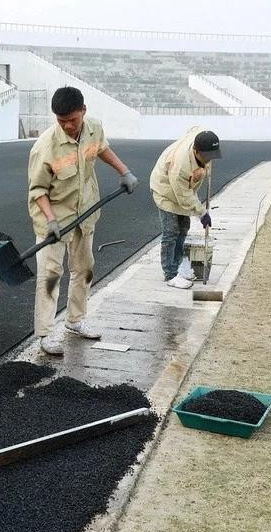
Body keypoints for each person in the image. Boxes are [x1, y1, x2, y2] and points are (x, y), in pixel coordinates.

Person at [27, 86, 139, 356]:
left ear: (83, 112)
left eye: (72, 120)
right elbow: (38, 191)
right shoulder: (45, 147)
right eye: (61, 120)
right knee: (51, 275)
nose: (67, 125)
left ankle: (75, 321)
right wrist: (52, 220)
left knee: (84, 268)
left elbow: (102, 149)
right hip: (53, 220)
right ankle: (44, 333)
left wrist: (124, 171)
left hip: (84, 212)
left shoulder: (94, 129)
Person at [149, 128, 222, 288]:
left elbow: (197, 128)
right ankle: (170, 275)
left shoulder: (200, 142)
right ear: (196, 151)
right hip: (165, 190)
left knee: (183, 228)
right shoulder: (181, 165)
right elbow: (184, 196)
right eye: (206, 157)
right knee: (171, 231)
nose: (209, 160)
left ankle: (178, 265)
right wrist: (202, 213)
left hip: (182, 189)